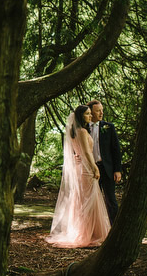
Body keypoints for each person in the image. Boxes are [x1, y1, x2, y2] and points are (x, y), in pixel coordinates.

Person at [47, 105, 111, 248]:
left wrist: (78, 157)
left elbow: (76, 151)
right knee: (88, 201)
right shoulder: (81, 131)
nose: (90, 116)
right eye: (87, 114)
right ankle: (88, 234)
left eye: (90, 113)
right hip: (86, 168)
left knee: (84, 200)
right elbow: (87, 153)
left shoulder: (74, 132)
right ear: (81, 116)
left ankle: (92, 232)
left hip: (80, 167)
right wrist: (95, 167)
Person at [87, 99, 122, 224]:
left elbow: (116, 150)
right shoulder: (83, 128)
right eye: (98, 111)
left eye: (102, 110)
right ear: (90, 112)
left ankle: (114, 227)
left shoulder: (109, 127)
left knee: (110, 200)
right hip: (89, 170)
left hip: (107, 169)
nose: (101, 113)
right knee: (91, 200)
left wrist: (117, 170)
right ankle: (93, 228)